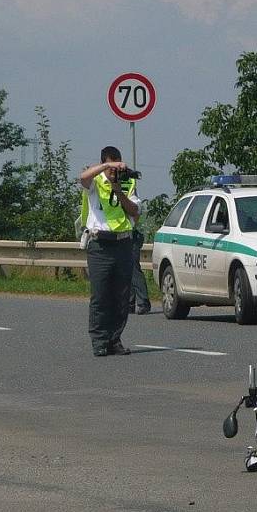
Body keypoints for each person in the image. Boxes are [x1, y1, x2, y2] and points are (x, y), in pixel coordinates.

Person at [79, 146, 141, 357]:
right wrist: (106, 168)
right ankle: (99, 341)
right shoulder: (95, 183)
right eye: (110, 166)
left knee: (121, 296)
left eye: (117, 165)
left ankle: (115, 340)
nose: (114, 171)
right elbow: (82, 178)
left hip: (123, 243)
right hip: (99, 245)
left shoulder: (128, 183)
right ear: (104, 164)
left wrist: (118, 189)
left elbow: (134, 211)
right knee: (100, 295)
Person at [129, 219, 151, 315]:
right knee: (126, 270)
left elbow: (135, 216)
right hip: (125, 236)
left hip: (133, 235)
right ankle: (129, 304)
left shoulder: (132, 204)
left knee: (134, 270)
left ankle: (143, 302)